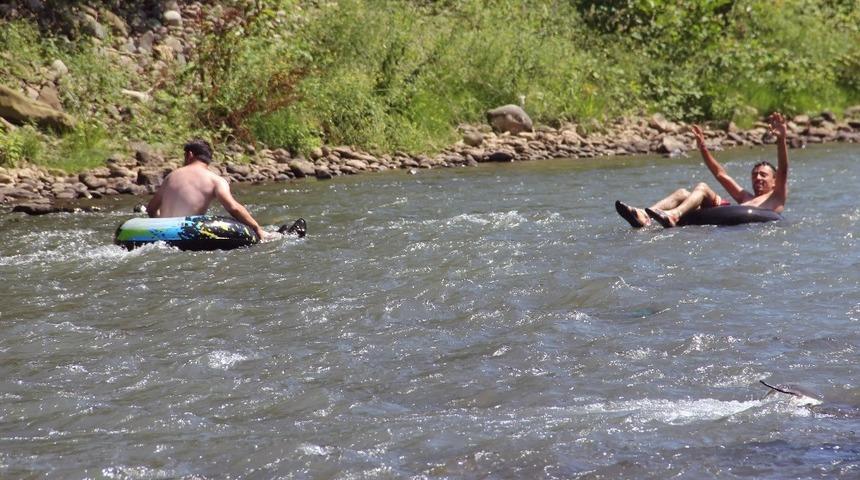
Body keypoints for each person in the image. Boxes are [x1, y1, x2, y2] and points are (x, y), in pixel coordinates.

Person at [616, 112, 789, 228]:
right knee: (682, 193)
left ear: (774, 181)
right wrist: (703, 149)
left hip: (741, 216)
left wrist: (781, 140)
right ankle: (643, 216)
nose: (757, 178)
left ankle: (674, 215)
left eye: (763, 175)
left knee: (703, 187)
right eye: (754, 175)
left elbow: (783, 170)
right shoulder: (746, 197)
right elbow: (721, 174)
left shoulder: (776, 197)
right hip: (723, 211)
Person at [147, 139, 272, 240]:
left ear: (190, 155)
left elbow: (151, 209)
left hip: (162, 234)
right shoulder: (215, 180)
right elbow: (233, 208)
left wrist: (160, 225)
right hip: (187, 235)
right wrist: (257, 229)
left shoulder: (171, 176)